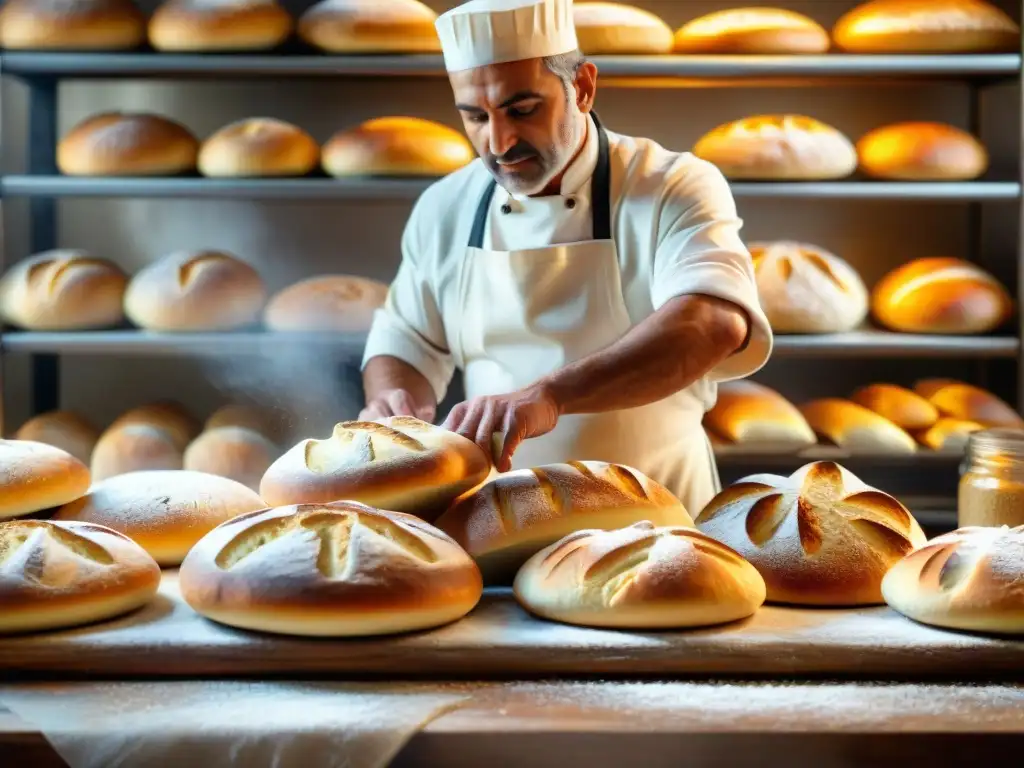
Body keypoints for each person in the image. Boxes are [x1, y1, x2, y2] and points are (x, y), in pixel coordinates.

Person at [359, 0, 772, 515]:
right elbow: (405, 339)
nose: (499, 141)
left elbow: (713, 323)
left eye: (522, 110)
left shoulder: (672, 185)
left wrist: (549, 395)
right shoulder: (447, 203)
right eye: (475, 117)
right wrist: (393, 399)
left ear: (582, 86)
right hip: (498, 524)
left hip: (660, 523)